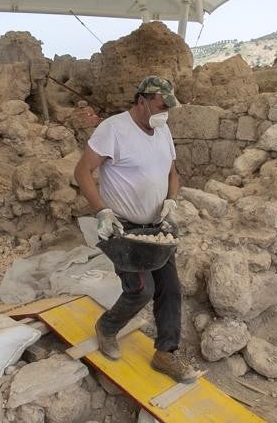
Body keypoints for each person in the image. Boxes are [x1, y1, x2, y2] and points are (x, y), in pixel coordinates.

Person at [73, 76, 198, 383]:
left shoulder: (162, 130)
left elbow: (172, 173)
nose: (165, 111)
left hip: (158, 227)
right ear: (142, 100)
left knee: (170, 288)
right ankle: (107, 327)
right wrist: (101, 210)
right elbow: (82, 171)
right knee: (142, 289)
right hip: (124, 229)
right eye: (161, 104)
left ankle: (166, 353)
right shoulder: (114, 130)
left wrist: (171, 200)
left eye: (169, 106)